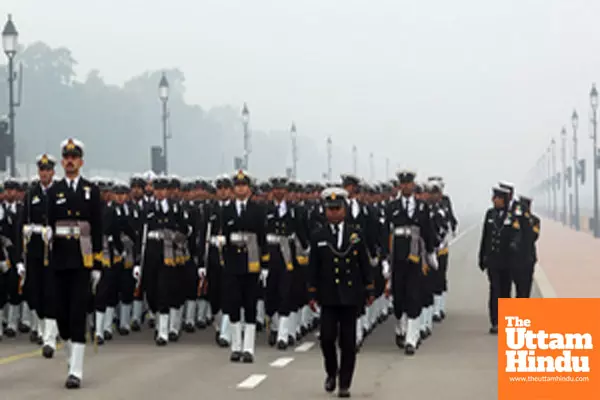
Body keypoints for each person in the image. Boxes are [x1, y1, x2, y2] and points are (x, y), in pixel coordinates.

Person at [46, 138, 103, 389]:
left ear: (81, 162)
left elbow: (98, 227)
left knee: (78, 313)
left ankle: (76, 371)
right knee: (61, 315)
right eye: (66, 157)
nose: (69, 161)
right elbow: (49, 220)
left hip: (82, 259)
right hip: (59, 259)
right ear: (62, 162)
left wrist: (98, 264)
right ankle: (70, 358)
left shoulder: (91, 191)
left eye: (74, 157)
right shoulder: (54, 190)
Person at [307, 187, 374, 398]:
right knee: (327, 338)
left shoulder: (356, 234)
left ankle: (345, 383)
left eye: (337, 208)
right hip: (328, 296)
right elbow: (313, 266)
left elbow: (364, 262)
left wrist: (370, 287)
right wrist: (311, 292)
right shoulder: (319, 234)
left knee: (348, 342)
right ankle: (331, 372)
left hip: (350, 295)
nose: (333, 212)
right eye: (330, 209)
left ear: (344, 209)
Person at [221, 170, 269, 363]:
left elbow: (262, 238)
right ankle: (236, 346)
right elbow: (224, 234)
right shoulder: (227, 210)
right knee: (233, 304)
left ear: (249, 189)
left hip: (252, 262)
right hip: (232, 263)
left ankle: (248, 348)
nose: (240, 189)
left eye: (244, 185)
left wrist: (264, 265)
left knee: (250, 304)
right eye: (237, 186)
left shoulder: (257, 210)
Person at [478, 186, 520, 334]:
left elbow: (517, 234)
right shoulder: (490, 214)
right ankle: (495, 321)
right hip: (493, 260)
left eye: (497, 198)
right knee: (494, 289)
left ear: (504, 200)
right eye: (494, 197)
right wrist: (482, 257)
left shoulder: (512, 216)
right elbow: (485, 236)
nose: (494, 200)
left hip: (507, 260)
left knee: (505, 291)